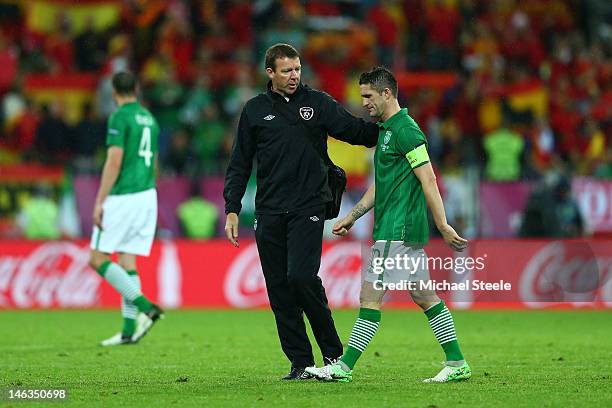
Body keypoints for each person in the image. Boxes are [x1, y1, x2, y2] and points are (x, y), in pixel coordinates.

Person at [223, 43, 379, 380]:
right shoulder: (254, 110)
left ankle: (334, 353)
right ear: (270, 74)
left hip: (308, 205)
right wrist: (232, 208)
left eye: (297, 69)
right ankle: (300, 363)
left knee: (302, 277)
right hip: (268, 210)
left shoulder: (318, 103)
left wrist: (390, 126)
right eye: (287, 71)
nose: (294, 76)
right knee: (279, 288)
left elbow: (355, 131)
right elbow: (240, 163)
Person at [306, 67, 471, 383]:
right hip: (394, 227)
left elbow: (429, 179)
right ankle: (456, 361)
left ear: (386, 94)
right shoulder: (386, 131)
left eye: (368, 96)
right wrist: (353, 216)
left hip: (399, 229)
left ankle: (343, 367)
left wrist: (443, 224)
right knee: (424, 296)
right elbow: (382, 185)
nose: (364, 102)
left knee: (370, 297)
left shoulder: (407, 131)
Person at [88, 71, 164, 346]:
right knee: (127, 261)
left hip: (124, 196)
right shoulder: (150, 119)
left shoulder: (120, 116)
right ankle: (129, 331)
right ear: (137, 88)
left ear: (113, 92)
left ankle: (146, 307)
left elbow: (114, 160)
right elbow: (154, 162)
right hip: (147, 194)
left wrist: (100, 200)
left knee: (96, 258)